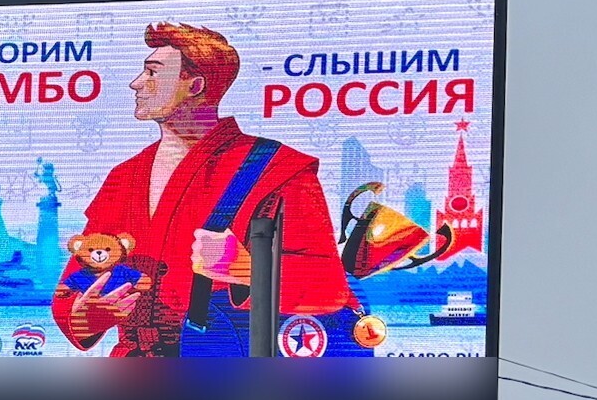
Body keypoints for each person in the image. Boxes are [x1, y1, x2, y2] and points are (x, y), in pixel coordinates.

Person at [52, 22, 365, 358]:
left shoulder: (277, 168)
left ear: (195, 84)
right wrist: (87, 316)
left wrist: (245, 268)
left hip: (231, 374)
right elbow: (72, 286)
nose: (136, 83)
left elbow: (328, 286)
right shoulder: (123, 177)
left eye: (152, 72)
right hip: (134, 380)